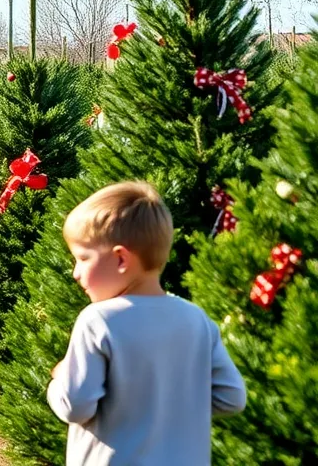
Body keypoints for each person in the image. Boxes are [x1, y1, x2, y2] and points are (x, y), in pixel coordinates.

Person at [48, 182, 246, 465]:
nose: (75, 273)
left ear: (120, 259)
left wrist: (59, 381)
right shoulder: (196, 319)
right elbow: (231, 397)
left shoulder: (98, 320)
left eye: (82, 258)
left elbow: (76, 406)